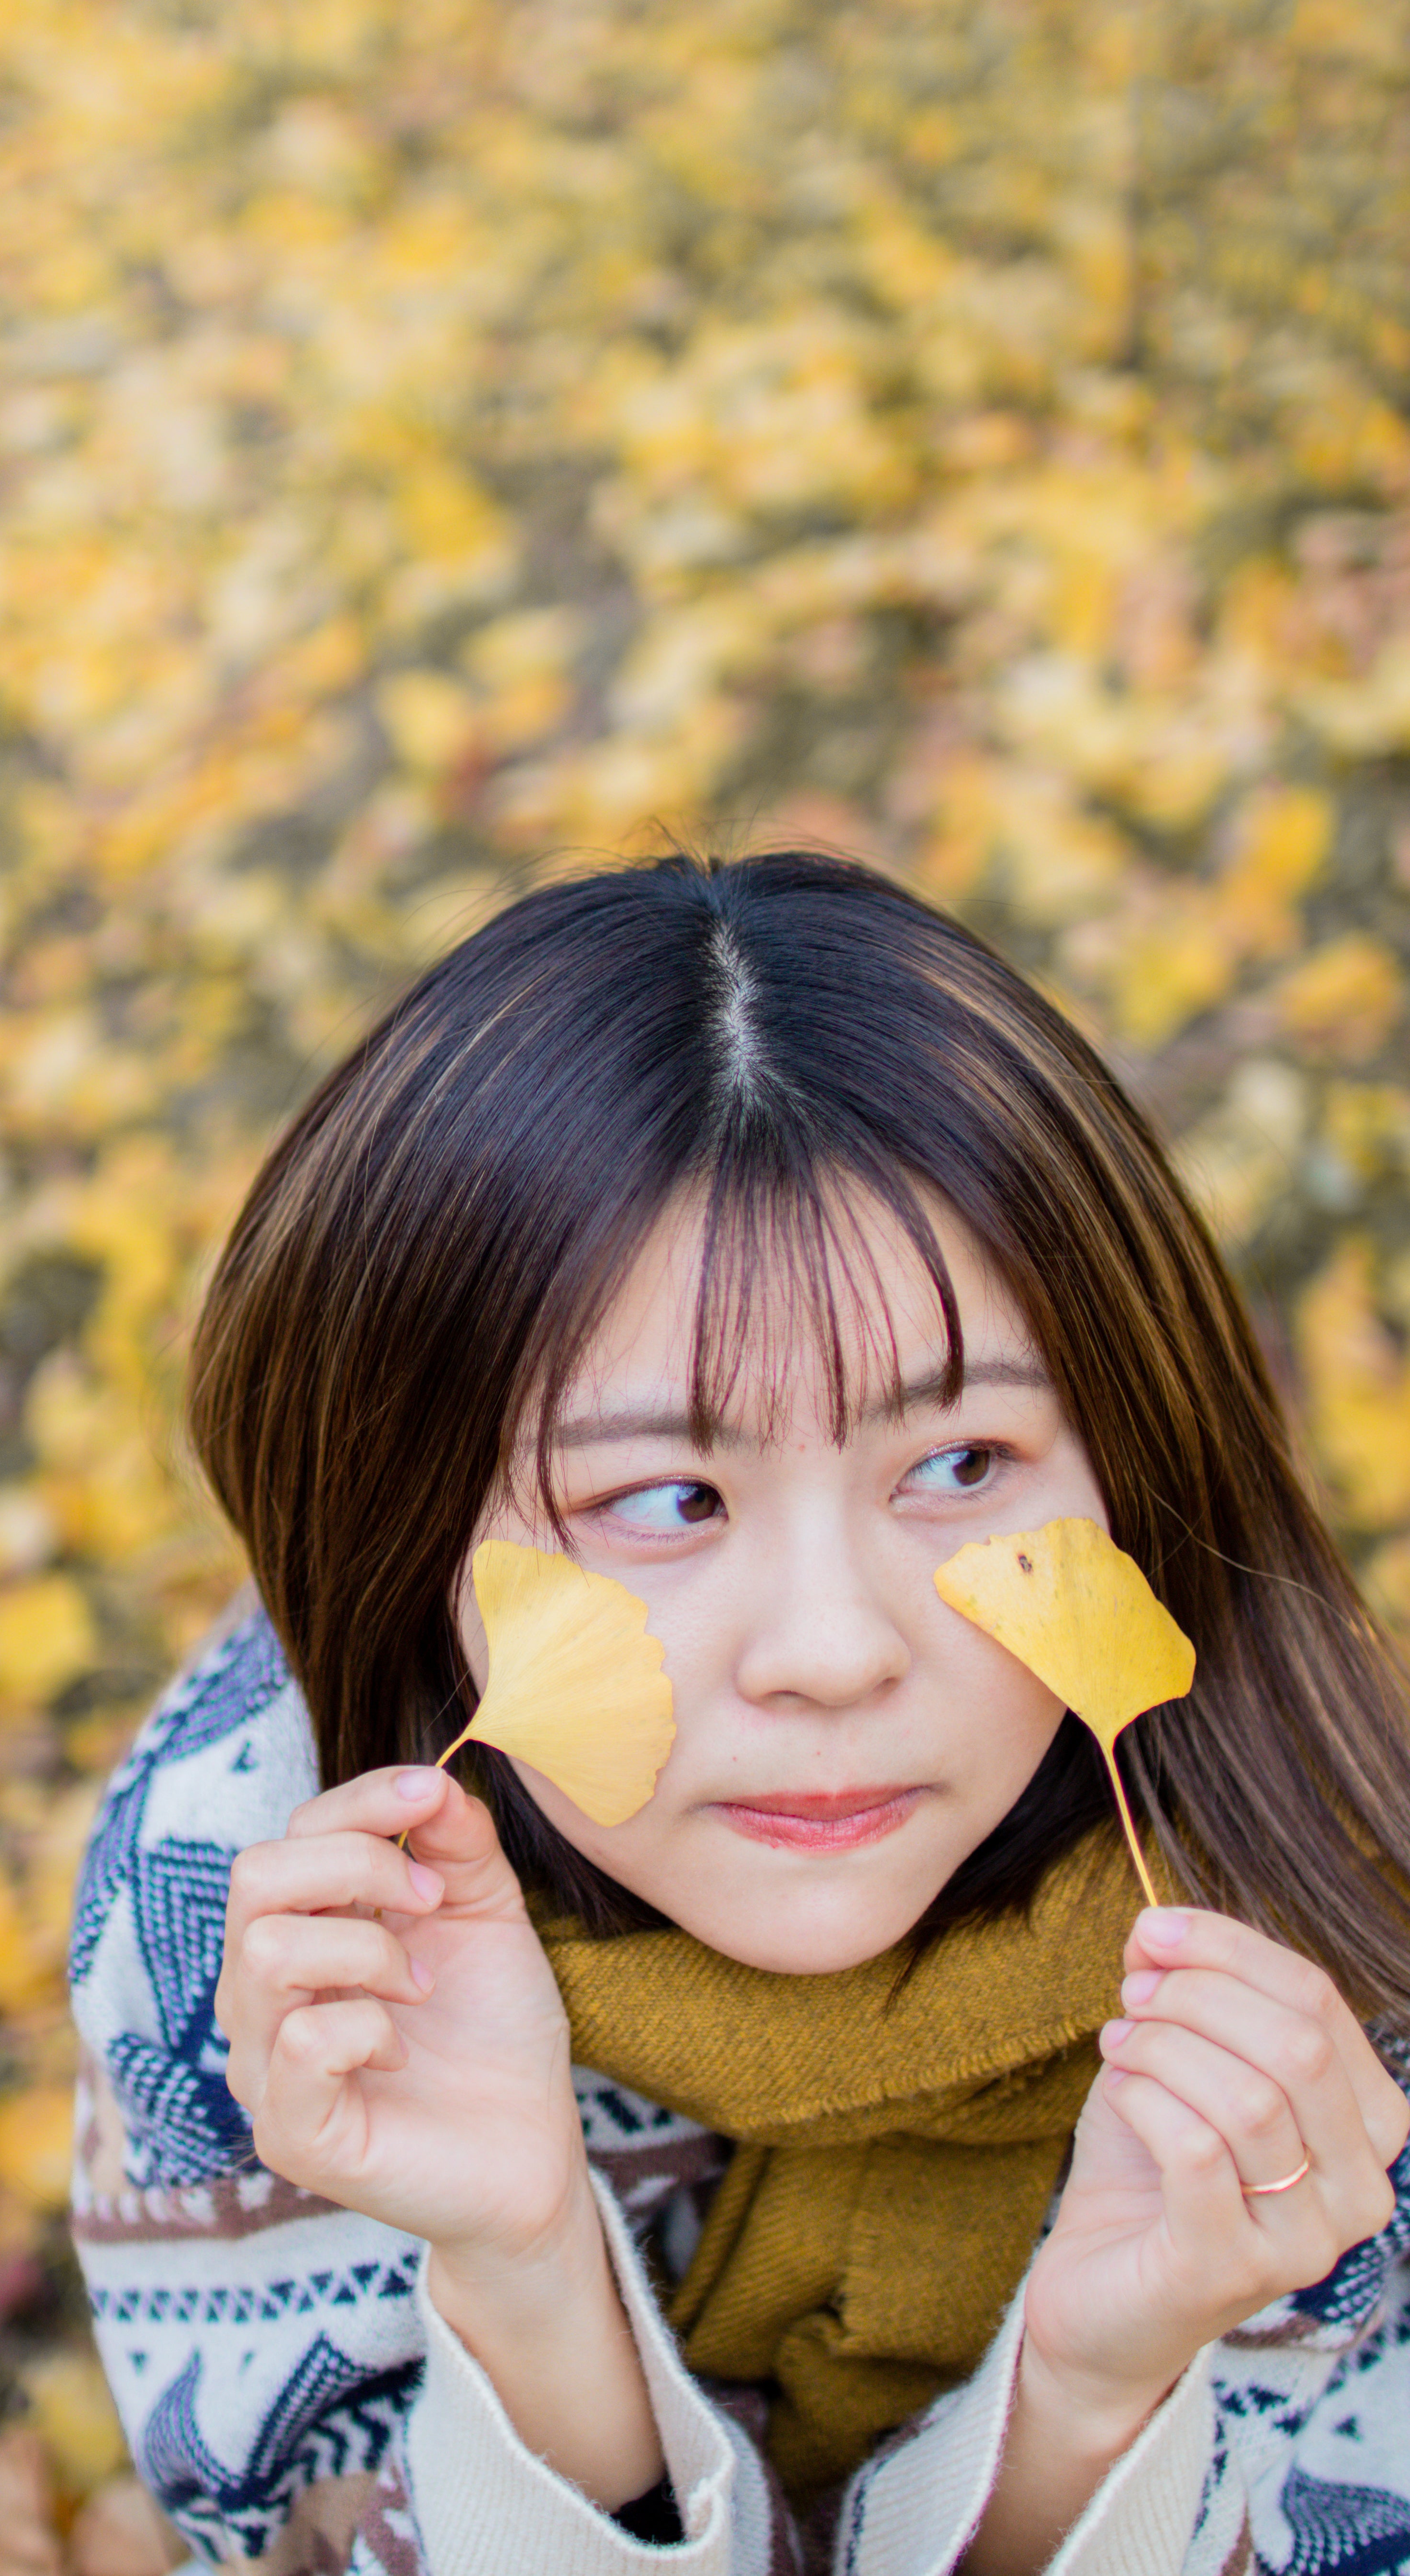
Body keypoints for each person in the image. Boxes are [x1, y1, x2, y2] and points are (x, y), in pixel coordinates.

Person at [69, 851, 1410, 2576]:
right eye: (669, 1498)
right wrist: (527, 2279)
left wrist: (1094, 2410)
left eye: (960, 1463)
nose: (836, 1651)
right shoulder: (264, 1923)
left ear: (1138, 1461)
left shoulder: (1319, 1927)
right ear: (409, 1532)